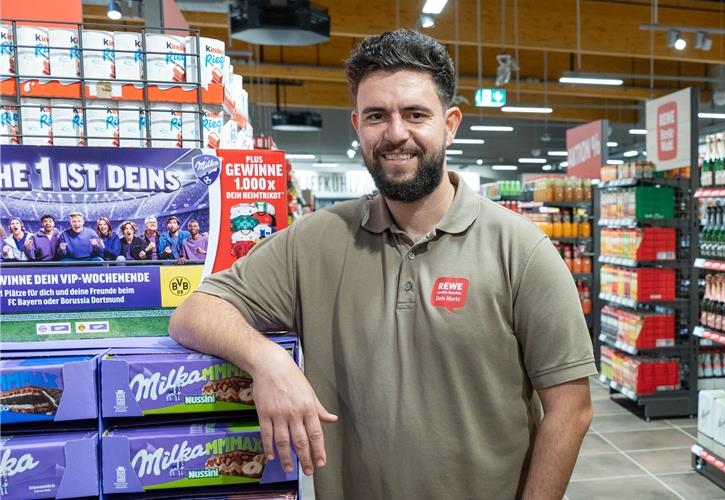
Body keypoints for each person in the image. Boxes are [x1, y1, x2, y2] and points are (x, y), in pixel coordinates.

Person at [169, 30, 595, 500]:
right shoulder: (315, 241)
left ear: (450, 124)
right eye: (377, 116)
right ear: (357, 125)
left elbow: (570, 409)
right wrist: (268, 360)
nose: (395, 133)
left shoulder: (521, 250)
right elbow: (193, 312)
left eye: (415, 114)